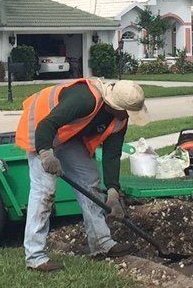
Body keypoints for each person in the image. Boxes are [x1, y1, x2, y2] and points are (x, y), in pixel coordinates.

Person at [15, 77, 148, 273]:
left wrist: (113, 191)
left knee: (89, 180)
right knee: (45, 191)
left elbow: (112, 154)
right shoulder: (85, 99)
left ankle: (101, 243)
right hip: (40, 128)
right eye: (127, 112)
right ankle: (35, 257)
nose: (128, 116)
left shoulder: (120, 119)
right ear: (114, 106)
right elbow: (47, 124)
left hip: (66, 135)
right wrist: (46, 153)